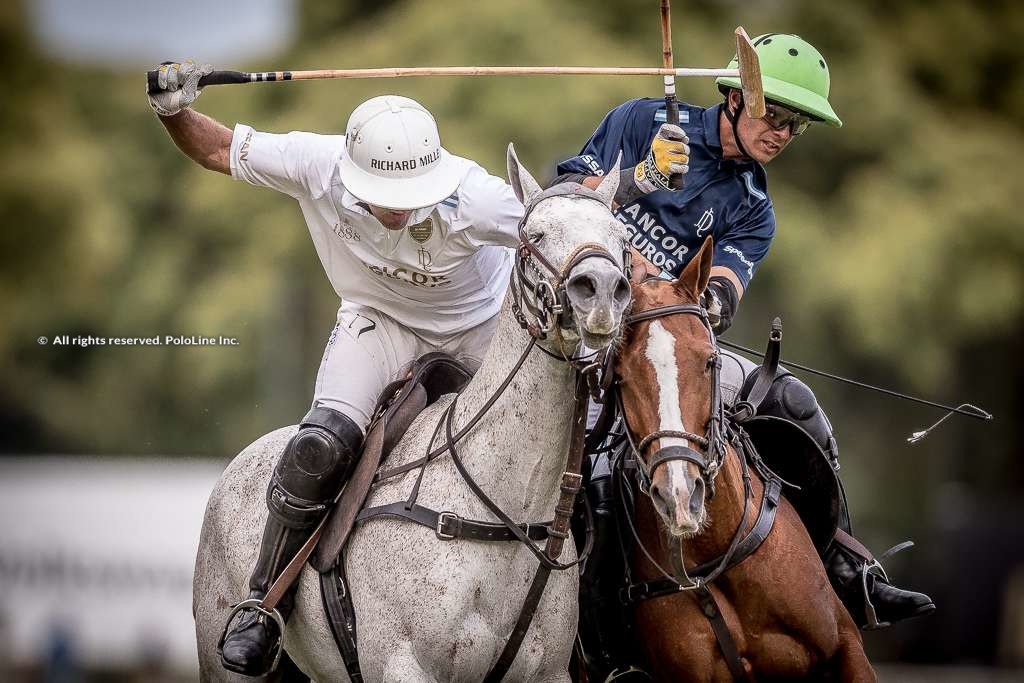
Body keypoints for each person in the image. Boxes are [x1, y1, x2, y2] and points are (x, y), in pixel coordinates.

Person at [554, 34, 934, 646]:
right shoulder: (638, 121)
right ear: (733, 95)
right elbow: (559, 204)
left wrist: (689, 305)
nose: (782, 132)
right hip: (585, 335)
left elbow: (721, 298)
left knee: (791, 399)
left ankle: (847, 566)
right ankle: (588, 631)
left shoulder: (756, 210)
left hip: (671, 347)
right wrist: (639, 180)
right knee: (582, 478)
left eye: (797, 125)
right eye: (774, 113)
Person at [148, 61, 524, 676]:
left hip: (485, 331)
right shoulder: (314, 165)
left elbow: (562, 224)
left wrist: (644, 180)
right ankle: (263, 604)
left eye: (413, 198)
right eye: (388, 200)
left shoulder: (476, 195)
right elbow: (217, 148)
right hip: (378, 324)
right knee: (319, 446)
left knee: (578, 442)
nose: (401, 213)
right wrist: (171, 110)